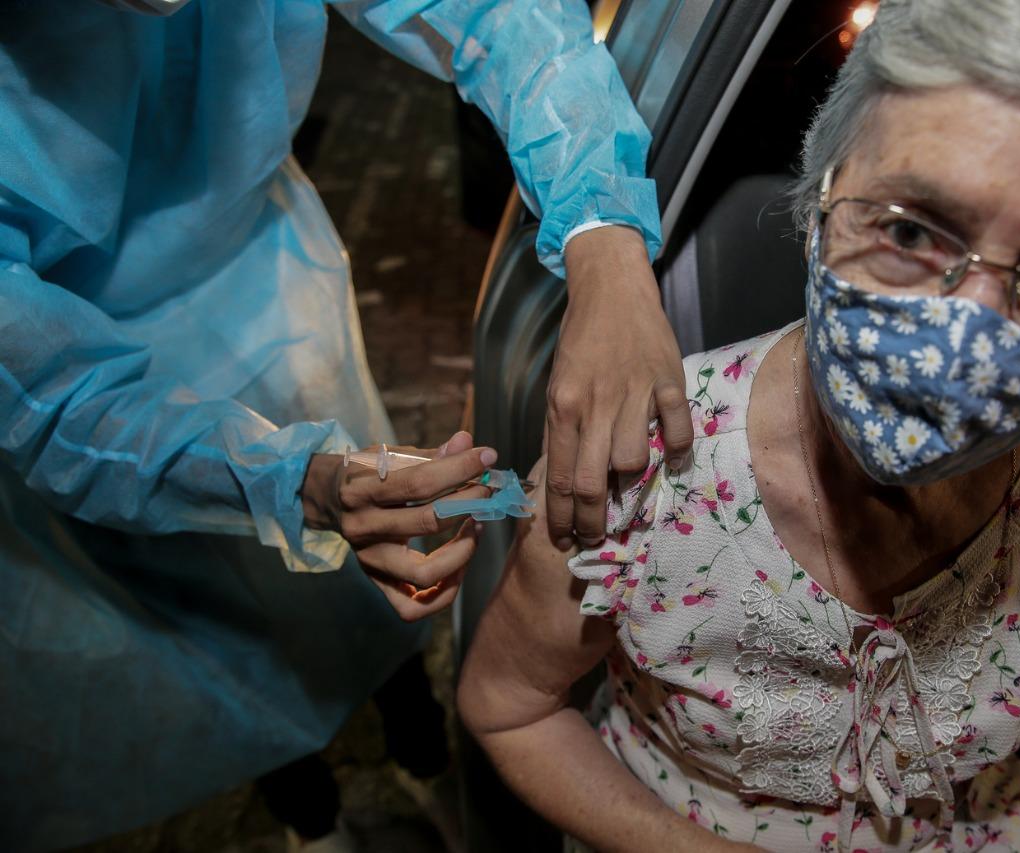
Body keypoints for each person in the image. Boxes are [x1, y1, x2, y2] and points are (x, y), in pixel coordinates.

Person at [457, 1, 1020, 849]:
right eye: (909, 229)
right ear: (820, 196)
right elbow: (510, 704)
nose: (962, 346)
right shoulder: (645, 463)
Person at [0, 1, 693, 849]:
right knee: (219, 627)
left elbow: (499, 13)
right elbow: (53, 397)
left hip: (267, 278)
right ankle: (313, 818)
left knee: (376, 578)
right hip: (87, 376)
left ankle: (424, 756)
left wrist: (604, 235)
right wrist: (293, 483)